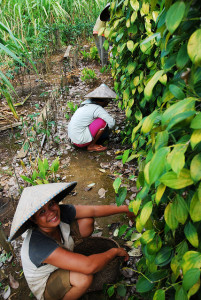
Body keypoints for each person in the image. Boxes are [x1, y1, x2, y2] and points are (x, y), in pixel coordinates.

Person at [8, 182, 135, 300]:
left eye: (51, 204)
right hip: (46, 282)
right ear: (34, 220)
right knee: (83, 278)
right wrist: (114, 252)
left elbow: (94, 210)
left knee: (87, 221)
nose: (51, 213)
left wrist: (125, 208)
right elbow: (89, 266)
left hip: (56, 259)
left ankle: (70, 256)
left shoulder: (61, 212)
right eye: (42, 212)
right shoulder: (39, 244)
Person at [68, 83, 116, 152]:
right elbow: (112, 123)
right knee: (102, 122)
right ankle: (91, 145)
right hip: (80, 141)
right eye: (107, 101)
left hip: (73, 139)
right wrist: (111, 130)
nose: (108, 103)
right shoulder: (97, 108)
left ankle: (94, 140)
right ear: (103, 101)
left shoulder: (85, 104)